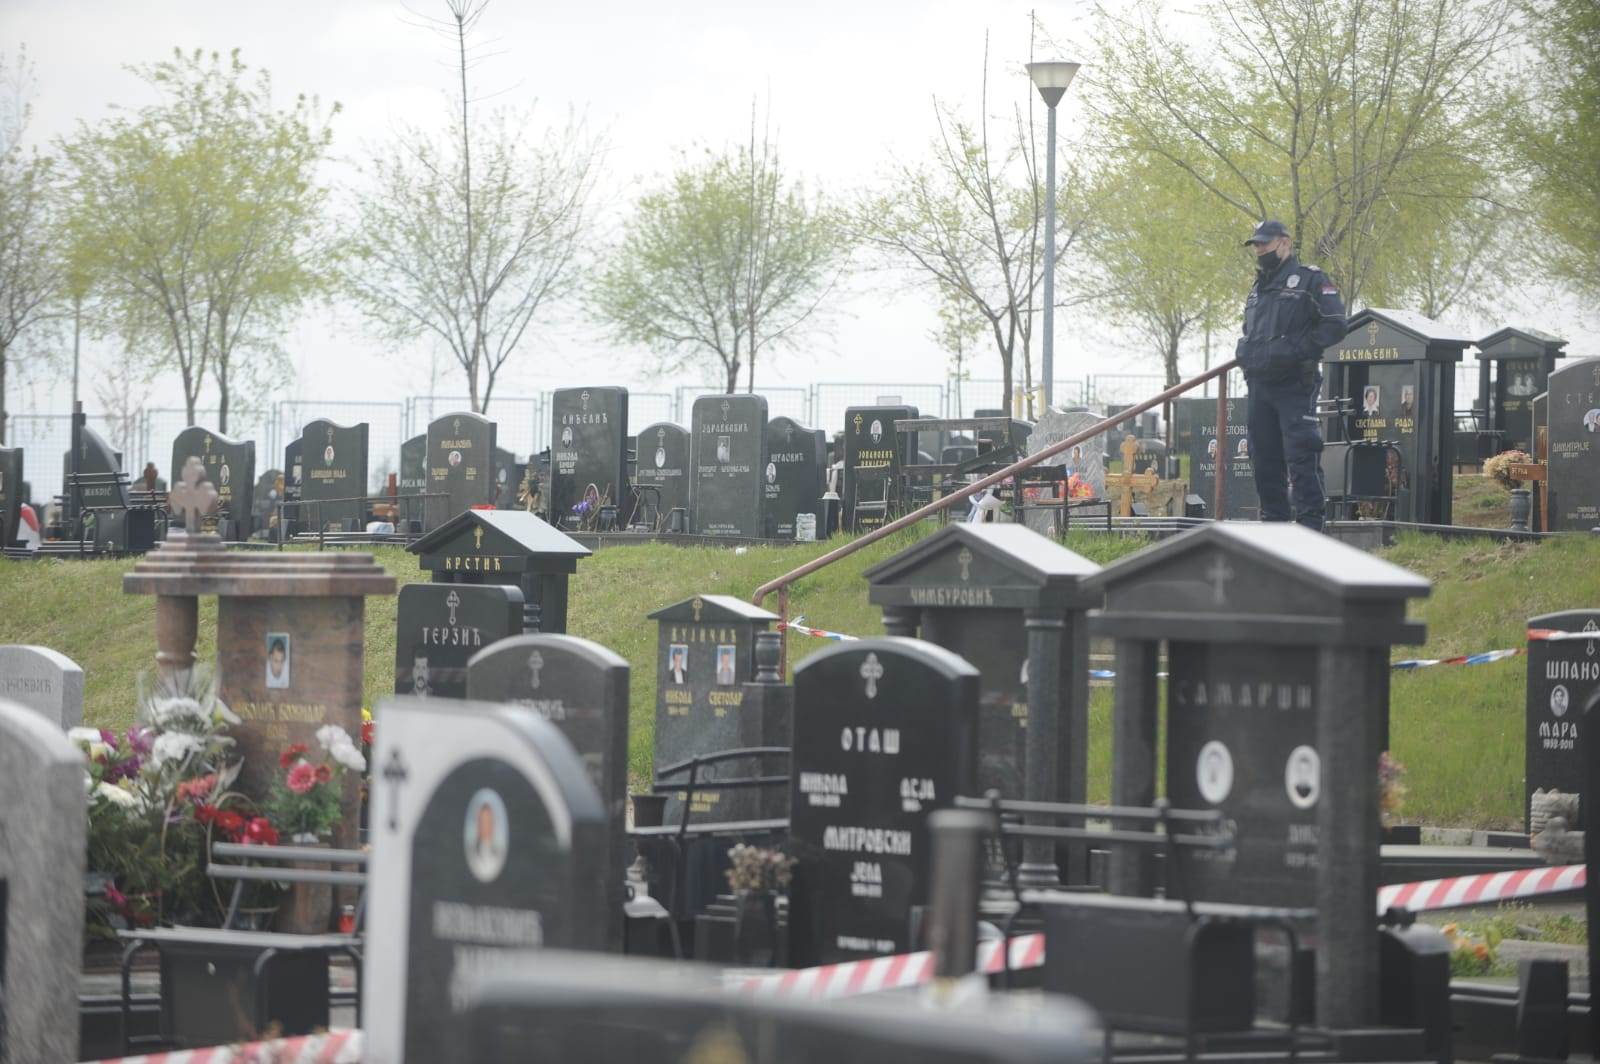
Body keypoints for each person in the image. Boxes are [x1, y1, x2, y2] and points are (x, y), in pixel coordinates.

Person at [1235, 220, 1347, 531]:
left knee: (1301, 455)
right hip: (1259, 384)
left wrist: (1296, 349)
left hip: (1295, 384)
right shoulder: (1258, 287)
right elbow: (1252, 330)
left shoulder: (1311, 279)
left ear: (1284, 242)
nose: (1259, 249)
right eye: (1256, 245)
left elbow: (1335, 324)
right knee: (1262, 457)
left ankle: (1310, 527)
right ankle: (1274, 525)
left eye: (1264, 243)